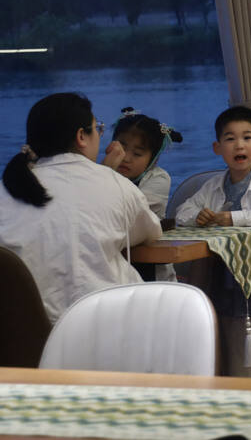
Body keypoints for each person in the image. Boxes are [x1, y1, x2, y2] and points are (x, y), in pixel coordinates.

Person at [0, 93, 161, 322]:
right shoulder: (115, 184)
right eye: (98, 129)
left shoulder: (7, 188)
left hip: (24, 333)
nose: (100, 136)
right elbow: (150, 232)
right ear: (81, 137)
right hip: (102, 326)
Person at [176, 105, 251, 378]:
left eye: (247, 137)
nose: (239, 145)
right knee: (238, 365)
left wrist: (233, 218)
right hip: (225, 285)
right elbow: (182, 213)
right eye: (230, 139)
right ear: (217, 148)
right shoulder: (212, 186)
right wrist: (198, 216)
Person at [109, 108, 183, 218]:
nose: (126, 158)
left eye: (137, 154)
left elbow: (129, 211)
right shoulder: (104, 169)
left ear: (154, 160)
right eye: (122, 148)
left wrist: (105, 174)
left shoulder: (158, 179)